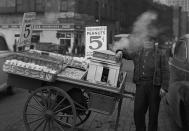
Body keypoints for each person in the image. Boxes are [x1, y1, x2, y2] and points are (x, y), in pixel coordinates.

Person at [115, 38, 170, 131]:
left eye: (150, 40)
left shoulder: (160, 54)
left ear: (154, 42)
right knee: (138, 112)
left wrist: (164, 87)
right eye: (145, 40)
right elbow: (127, 54)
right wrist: (120, 51)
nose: (147, 42)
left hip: (154, 86)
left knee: (153, 114)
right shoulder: (138, 52)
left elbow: (166, 71)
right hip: (141, 85)